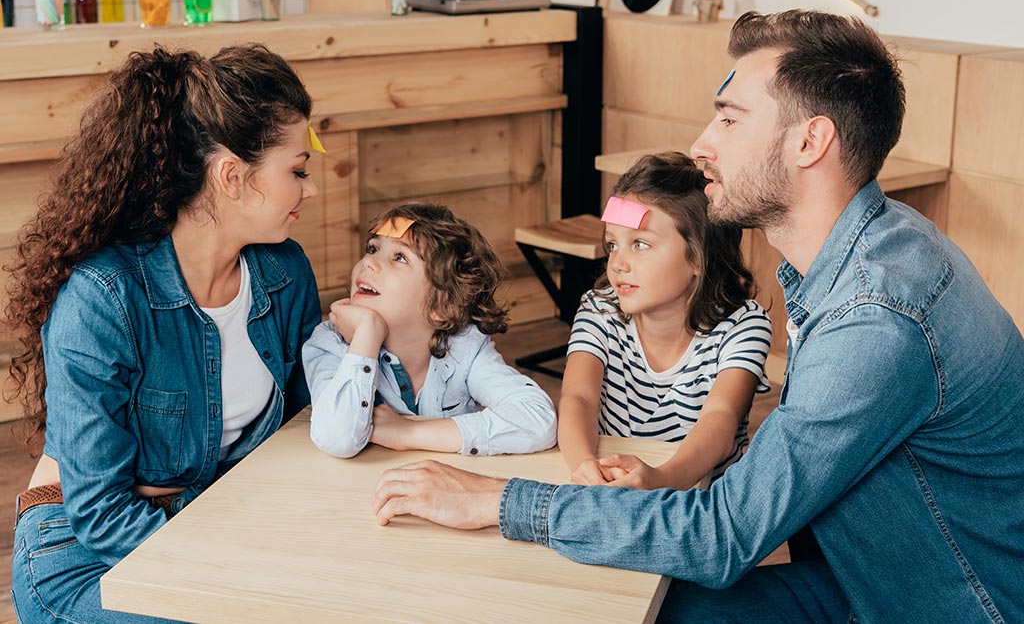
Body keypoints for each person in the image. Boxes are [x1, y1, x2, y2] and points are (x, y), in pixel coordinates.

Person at [368, 10, 1024, 623]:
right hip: (870, 574)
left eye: (729, 119)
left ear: (810, 141)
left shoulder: (876, 317)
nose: (701, 144)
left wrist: (496, 499)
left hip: (945, 603)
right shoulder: (875, 246)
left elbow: (721, 535)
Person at [6, 44, 323, 623]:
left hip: (220, 517)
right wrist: (250, 566)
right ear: (232, 176)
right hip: (85, 552)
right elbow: (101, 514)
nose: (311, 188)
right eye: (298, 171)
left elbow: (308, 430)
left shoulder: (285, 273)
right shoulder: (103, 298)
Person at [559, 153, 771, 490]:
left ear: (698, 256)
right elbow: (578, 398)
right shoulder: (599, 309)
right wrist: (584, 465)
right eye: (612, 244)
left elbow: (721, 419)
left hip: (700, 504)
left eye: (640, 244)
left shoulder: (743, 327)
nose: (617, 263)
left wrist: (660, 479)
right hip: (611, 491)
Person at [302, 202, 557, 459]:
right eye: (372, 249)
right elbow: (337, 439)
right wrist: (367, 333)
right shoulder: (331, 343)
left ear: (442, 306)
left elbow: (539, 421)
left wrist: (407, 433)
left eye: (400, 257)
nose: (369, 261)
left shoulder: (464, 347)